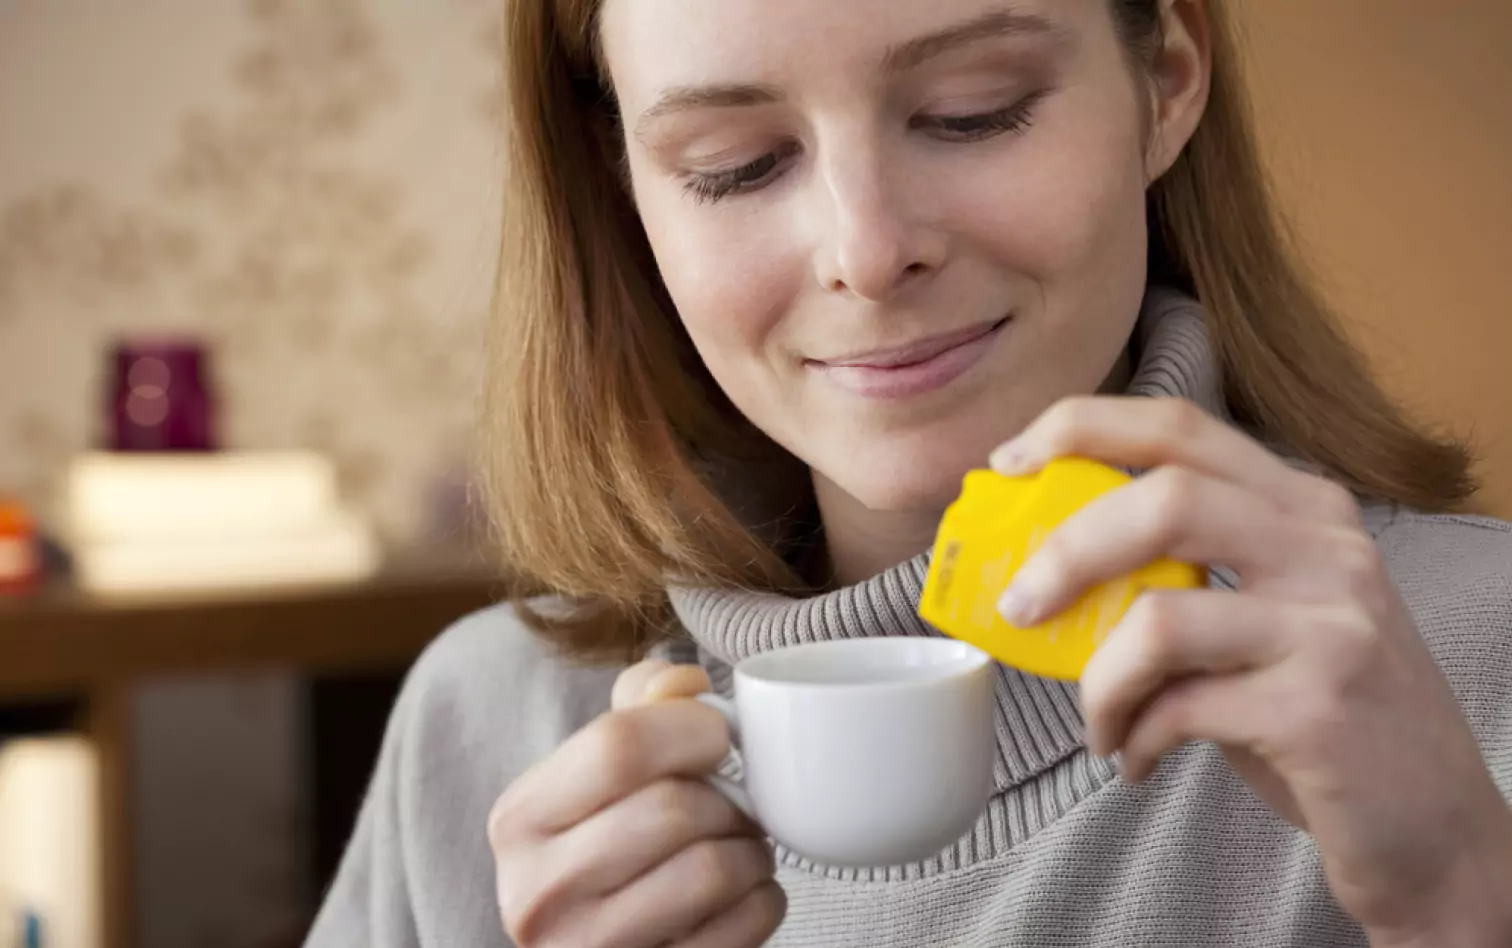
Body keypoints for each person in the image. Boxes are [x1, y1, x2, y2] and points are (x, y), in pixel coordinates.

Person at [305, 0, 1512, 945]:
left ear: (1167, 79)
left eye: (974, 111)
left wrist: (1464, 905)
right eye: (734, 163)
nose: (868, 252)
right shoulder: (486, 725)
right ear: (622, 179)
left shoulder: (1481, 662)